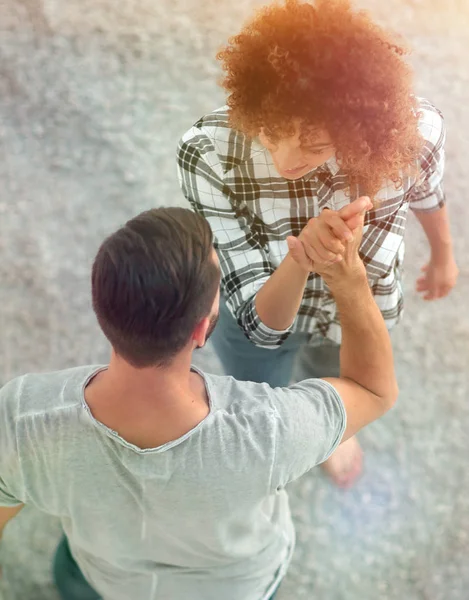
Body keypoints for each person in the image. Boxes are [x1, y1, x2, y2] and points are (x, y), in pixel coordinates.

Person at [0, 206, 397, 600]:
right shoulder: (270, 431)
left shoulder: (21, 418)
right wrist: (348, 278)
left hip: (105, 579)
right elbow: (374, 391)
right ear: (202, 328)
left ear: (101, 306)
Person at [177, 0, 458, 487]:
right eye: (271, 132)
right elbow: (263, 329)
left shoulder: (417, 131)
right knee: (261, 392)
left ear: (357, 131)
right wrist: (304, 260)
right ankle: (304, 431)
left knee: (340, 377)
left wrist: (444, 255)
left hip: (358, 307)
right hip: (261, 312)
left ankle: (334, 427)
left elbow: (428, 195)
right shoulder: (208, 152)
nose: (286, 159)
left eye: (315, 145)